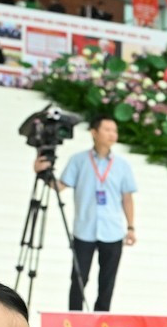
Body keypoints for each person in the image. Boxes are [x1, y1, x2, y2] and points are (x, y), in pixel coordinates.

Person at [36, 116, 139, 311]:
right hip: (84, 230)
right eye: (107, 129)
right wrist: (41, 174)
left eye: (114, 131)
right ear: (94, 132)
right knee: (78, 278)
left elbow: (127, 198)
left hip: (113, 231)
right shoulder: (78, 160)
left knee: (107, 282)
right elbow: (59, 186)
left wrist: (131, 227)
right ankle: (74, 318)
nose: (112, 134)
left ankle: (102, 321)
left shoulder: (122, 165)